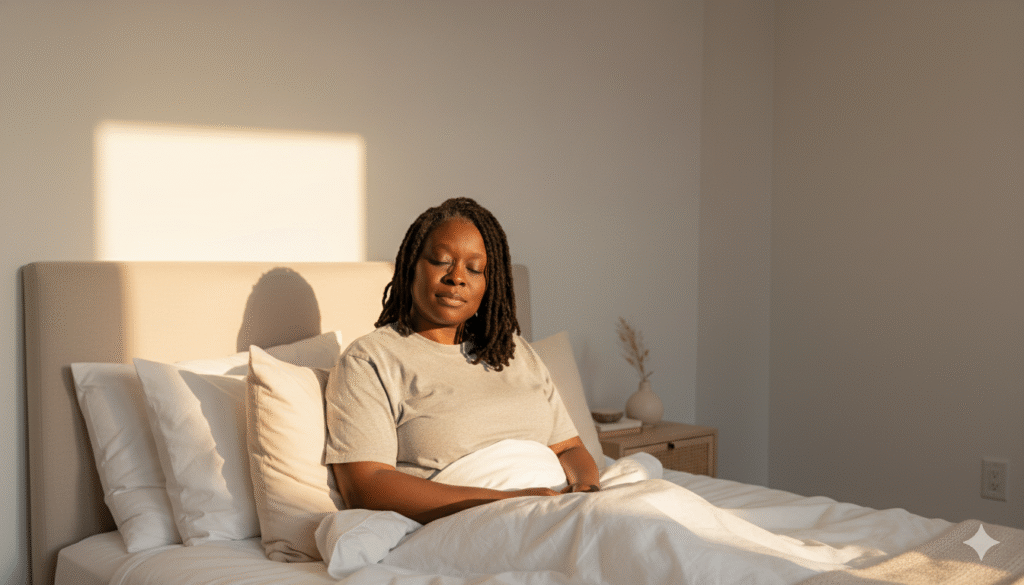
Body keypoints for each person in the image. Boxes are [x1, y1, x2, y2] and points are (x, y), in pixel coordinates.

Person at [325, 197, 600, 524]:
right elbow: (366, 486)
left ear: (489, 282)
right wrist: (510, 502)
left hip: (559, 509)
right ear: (411, 265)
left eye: (474, 268)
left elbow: (569, 449)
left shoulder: (513, 350)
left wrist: (586, 491)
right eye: (441, 261)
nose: (457, 277)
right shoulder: (369, 360)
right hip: (472, 522)